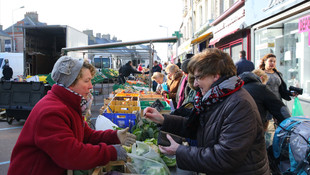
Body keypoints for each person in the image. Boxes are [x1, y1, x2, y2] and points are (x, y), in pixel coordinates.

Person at [143, 48, 270, 174]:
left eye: (199, 78)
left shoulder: (239, 104)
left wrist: (180, 150)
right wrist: (163, 119)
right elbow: (198, 128)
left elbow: (224, 157)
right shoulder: (216, 98)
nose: (196, 84)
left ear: (216, 75)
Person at [8, 56, 136, 175]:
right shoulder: (51, 112)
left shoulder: (69, 105)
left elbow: (86, 135)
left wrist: (114, 136)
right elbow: (71, 155)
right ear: (70, 83)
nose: (91, 86)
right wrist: (111, 152)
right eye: (87, 81)